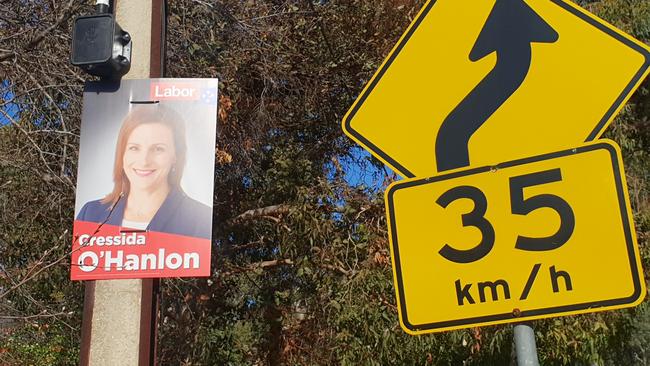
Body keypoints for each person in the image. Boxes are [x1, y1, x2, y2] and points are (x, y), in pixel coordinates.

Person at [77, 104, 212, 239]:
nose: (144, 161)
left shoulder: (200, 220)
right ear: (122, 153)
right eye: (134, 148)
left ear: (176, 156)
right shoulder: (91, 214)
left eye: (158, 149)